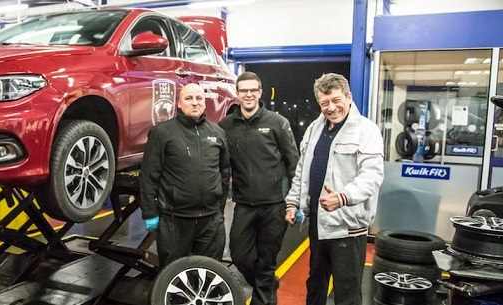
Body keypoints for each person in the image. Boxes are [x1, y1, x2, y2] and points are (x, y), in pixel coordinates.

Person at [285, 73, 384, 305]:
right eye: (324, 103)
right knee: (315, 283)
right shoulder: (313, 129)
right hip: (318, 224)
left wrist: (343, 197)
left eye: (336, 100)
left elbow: (372, 176)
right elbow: (303, 171)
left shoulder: (366, 130)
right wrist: (293, 203)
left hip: (347, 227)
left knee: (347, 291)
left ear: (348, 97)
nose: (331, 108)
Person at [219, 72, 299, 305]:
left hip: (274, 206)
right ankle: (267, 285)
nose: (249, 95)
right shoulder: (226, 126)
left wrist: (295, 201)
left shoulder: (277, 122)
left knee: (266, 260)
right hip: (244, 205)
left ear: (260, 92)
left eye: (253, 90)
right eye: (244, 91)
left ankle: (263, 298)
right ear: (237, 93)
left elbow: (294, 164)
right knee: (239, 255)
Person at [140, 82, 231, 267]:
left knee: (209, 273)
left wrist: (219, 210)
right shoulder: (162, 133)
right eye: (189, 98)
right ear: (179, 104)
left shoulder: (218, 133)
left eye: (199, 98)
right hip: (175, 222)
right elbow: (149, 176)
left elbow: (225, 172)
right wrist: (150, 213)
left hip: (210, 222)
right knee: (174, 275)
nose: (195, 103)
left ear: (205, 103)